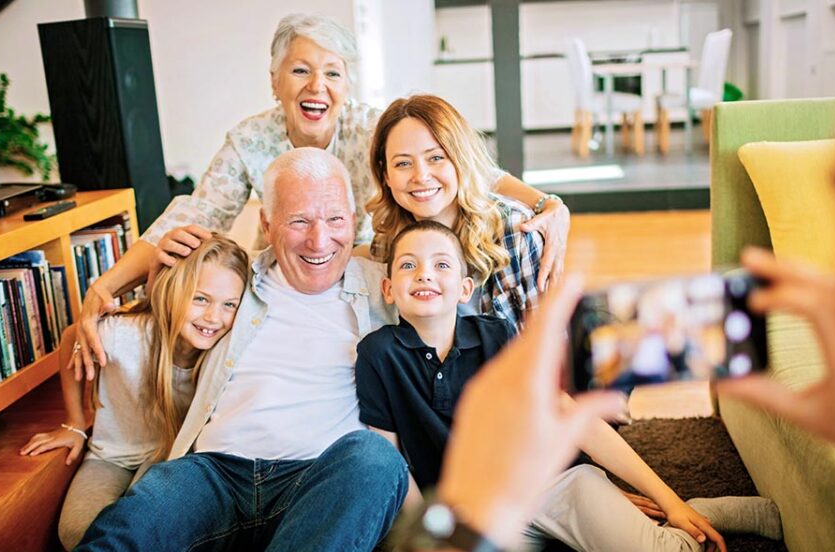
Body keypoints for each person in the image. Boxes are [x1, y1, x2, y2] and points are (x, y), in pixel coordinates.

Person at [310, 0, 835, 552]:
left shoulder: (511, 241)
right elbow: (324, 254)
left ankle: (658, 514)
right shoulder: (377, 262)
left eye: (434, 159)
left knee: (566, 514)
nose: (418, 178)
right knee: (429, 539)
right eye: (399, 166)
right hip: (459, 476)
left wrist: (547, 213)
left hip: (537, 450)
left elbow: (554, 396)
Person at [0, 148, 410, 552]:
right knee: (128, 526)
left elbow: (462, 291)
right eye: (299, 220)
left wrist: (535, 213)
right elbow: (137, 302)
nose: (318, 239)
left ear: (354, 221)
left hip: (320, 481)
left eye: (334, 219)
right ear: (265, 223)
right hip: (212, 473)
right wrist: (135, 274)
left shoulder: (389, 283)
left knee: (376, 461)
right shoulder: (229, 276)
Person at [73, 13, 570, 381]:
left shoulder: (375, 127)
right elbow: (193, 213)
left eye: (333, 73)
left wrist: (548, 205)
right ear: (274, 82)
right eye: (300, 71)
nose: (318, 86)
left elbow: (469, 168)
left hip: (381, 271)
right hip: (305, 273)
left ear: (347, 85)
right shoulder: (250, 139)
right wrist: (107, 284)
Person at [355, 220, 781, 552]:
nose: (425, 275)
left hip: (550, 486)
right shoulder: (377, 354)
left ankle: (703, 512)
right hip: (478, 517)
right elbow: (393, 463)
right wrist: (433, 536)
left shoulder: (495, 335)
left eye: (441, 265)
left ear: (465, 287)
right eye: (409, 265)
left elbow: (575, 417)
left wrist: (670, 502)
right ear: (389, 289)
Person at [19, 235, 249, 551]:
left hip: (171, 456)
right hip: (111, 455)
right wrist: (74, 422)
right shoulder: (125, 336)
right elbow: (73, 336)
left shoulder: (226, 350)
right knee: (76, 532)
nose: (213, 317)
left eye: (229, 305)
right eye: (200, 299)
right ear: (173, 292)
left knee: (144, 521)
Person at [367, 94, 551, 330]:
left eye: (436, 158)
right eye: (403, 163)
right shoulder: (388, 246)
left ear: (459, 161)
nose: (421, 176)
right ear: (386, 176)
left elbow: (550, 342)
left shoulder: (516, 231)